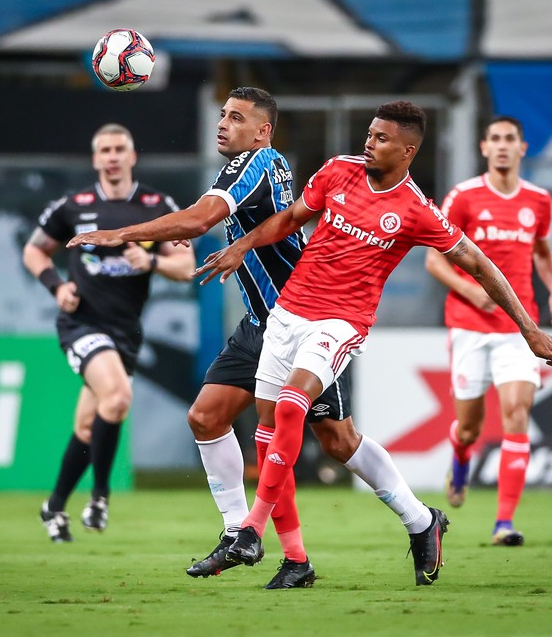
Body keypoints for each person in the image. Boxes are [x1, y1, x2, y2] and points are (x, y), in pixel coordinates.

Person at [68, 88, 448, 589]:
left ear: (263, 130)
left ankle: (420, 520)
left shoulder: (259, 161)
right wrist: (189, 226)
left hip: (306, 319)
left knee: (337, 441)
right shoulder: (252, 165)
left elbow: (204, 217)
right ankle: (243, 534)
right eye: (222, 115)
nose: (223, 124)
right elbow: (211, 215)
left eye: (237, 117)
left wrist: (123, 233)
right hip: (260, 323)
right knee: (207, 416)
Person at [194, 101, 552, 585]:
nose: (369, 142)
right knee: (292, 433)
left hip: (342, 323)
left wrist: (527, 327)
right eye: (369, 133)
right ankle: (399, 528)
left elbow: (478, 263)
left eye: (381, 138)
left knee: (289, 409)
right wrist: (242, 245)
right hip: (287, 315)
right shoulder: (338, 171)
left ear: (408, 150)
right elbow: (291, 219)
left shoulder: (415, 209)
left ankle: (251, 531)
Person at [24, 123, 195, 542]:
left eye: (120, 149)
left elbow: (186, 267)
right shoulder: (73, 205)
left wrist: (151, 262)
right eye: (105, 150)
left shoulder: (157, 205)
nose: (113, 156)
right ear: (96, 158)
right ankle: (100, 496)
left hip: (125, 331)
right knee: (118, 397)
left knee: (87, 427)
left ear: (133, 156)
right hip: (82, 322)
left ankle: (53, 508)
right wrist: (57, 286)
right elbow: (34, 250)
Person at [425, 116, 552, 546]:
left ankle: (503, 523)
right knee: (469, 428)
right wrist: (471, 291)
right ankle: (462, 456)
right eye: (495, 140)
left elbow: (542, 251)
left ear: (522, 148)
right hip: (469, 326)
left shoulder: (539, 200)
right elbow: (435, 259)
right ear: (484, 148)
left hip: (518, 327)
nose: (503, 146)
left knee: (517, 415)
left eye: (510, 140)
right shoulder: (464, 197)